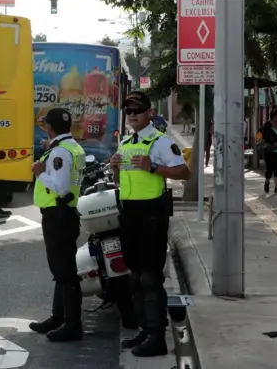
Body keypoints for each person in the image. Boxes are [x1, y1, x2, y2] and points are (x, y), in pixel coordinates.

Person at [110, 91, 191, 357]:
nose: (132, 115)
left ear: (149, 113)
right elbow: (123, 180)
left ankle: (157, 337)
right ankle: (145, 330)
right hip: (129, 212)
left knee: (149, 277)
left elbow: (184, 172)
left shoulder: (161, 142)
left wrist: (153, 167)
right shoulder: (125, 142)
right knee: (133, 276)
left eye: (137, 110)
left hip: (151, 215)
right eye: (128, 111)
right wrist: (114, 168)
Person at [29, 107, 86, 342]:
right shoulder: (73, 147)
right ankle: (58, 317)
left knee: (64, 271)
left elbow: (60, 187)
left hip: (58, 213)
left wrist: (41, 172)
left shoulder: (60, 152)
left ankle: (72, 323)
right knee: (61, 268)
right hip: (67, 212)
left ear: (48, 127)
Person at [262, 109, 277, 194]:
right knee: (269, 169)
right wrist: (272, 142)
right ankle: (267, 181)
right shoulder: (267, 125)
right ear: (273, 116)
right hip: (269, 151)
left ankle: (276, 188)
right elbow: (263, 135)